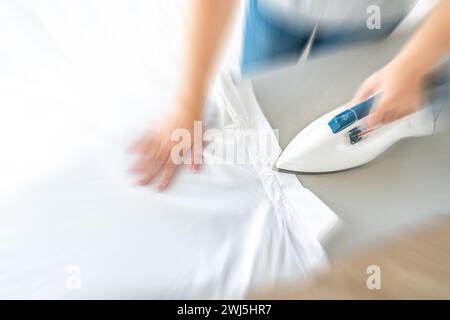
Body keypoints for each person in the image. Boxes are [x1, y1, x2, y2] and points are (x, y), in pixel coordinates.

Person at [130, 0, 450, 190]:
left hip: (369, 16)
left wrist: (411, 65)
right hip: (275, 10)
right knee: (260, 97)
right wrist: (188, 104)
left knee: (323, 102)